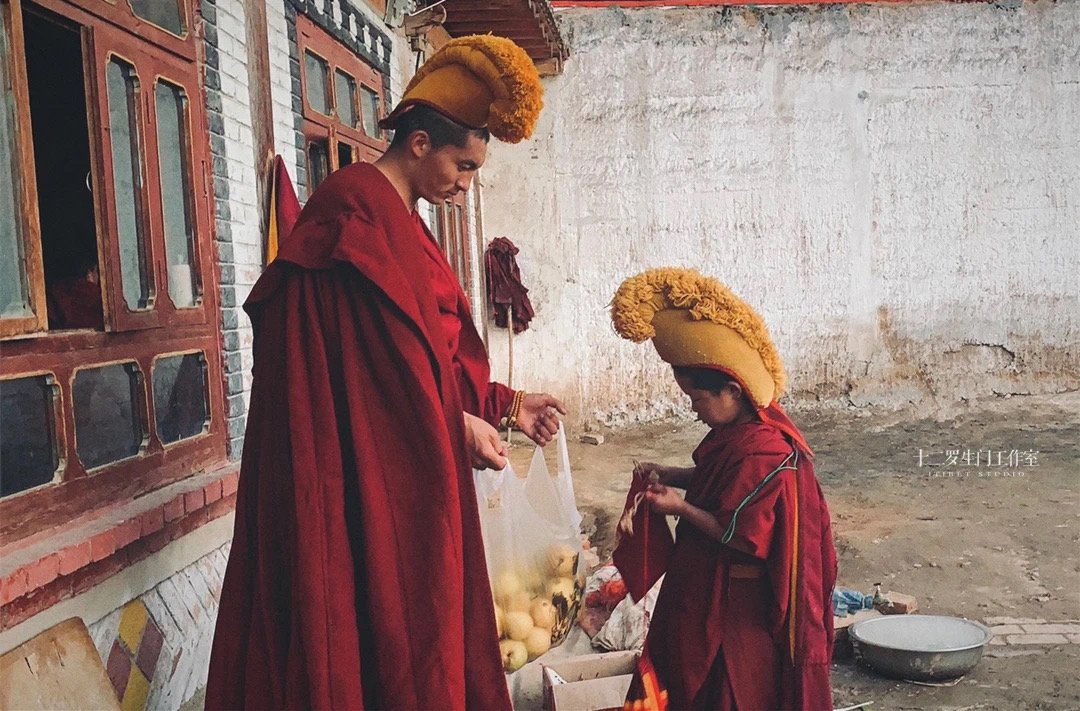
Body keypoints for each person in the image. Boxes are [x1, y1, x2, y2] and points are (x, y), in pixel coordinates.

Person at [206, 35, 563, 710]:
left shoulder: (402, 222)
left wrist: (503, 405)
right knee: (369, 635)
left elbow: (425, 356)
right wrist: (455, 425)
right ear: (420, 144)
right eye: (463, 165)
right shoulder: (352, 218)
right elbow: (372, 385)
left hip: (395, 462)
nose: (466, 184)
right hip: (347, 475)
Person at [611, 267, 837, 711]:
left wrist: (680, 508)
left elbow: (742, 533)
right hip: (709, 583)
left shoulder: (768, 453)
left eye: (698, 400)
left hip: (740, 607)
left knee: (730, 692)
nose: (695, 411)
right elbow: (719, 482)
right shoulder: (737, 434)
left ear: (733, 390)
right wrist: (671, 474)